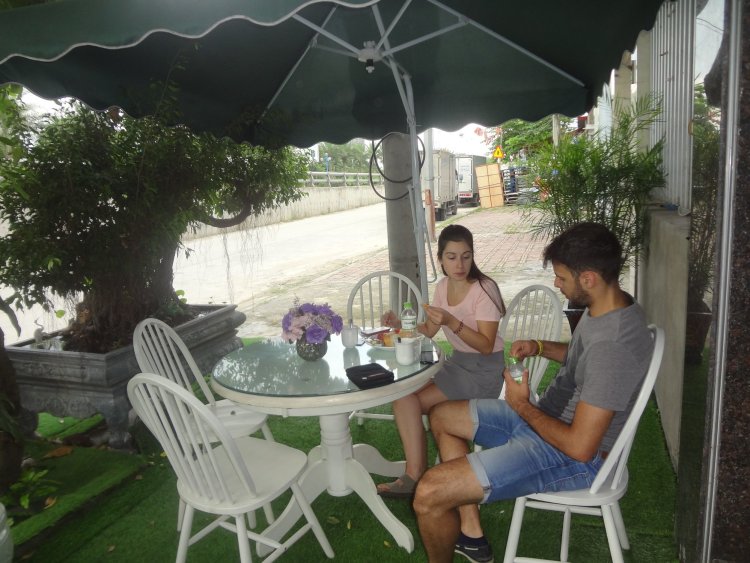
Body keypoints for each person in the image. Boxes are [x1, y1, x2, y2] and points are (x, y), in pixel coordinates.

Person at [413, 222, 654, 563]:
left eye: (561, 278)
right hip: (548, 422)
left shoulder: (612, 348)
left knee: (428, 491)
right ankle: (471, 532)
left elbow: (580, 447)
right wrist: (540, 346)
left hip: (572, 457)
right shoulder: (611, 307)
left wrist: (522, 405)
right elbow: (582, 358)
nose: (556, 284)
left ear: (588, 279)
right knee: (441, 415)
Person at [376, 224, 506, 498]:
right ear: (440, 259)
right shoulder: (443, 287)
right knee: (403, 395)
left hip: (483, 372)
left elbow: (485, 346)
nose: (460, 265)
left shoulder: (485, 289)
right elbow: (429, 330)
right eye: (452, 257)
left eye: (466, 256)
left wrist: (452, 322)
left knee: (405, 400)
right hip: (457, 365)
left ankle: (414, 476)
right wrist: (400, 324)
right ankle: (416, 474)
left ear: (473, 256)